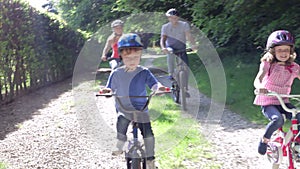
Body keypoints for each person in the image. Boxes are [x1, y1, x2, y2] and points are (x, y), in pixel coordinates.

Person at [99, 33, 167, 169]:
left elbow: (154, 84)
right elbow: (110, 88)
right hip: (124, 108)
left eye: (136, 57)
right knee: (122, 121)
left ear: (140, 56)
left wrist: (159, 88)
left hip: (141, 108)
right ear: (121, 56)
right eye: (128, 57)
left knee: (148, 134)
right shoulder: (116, 73)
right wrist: (107, 92)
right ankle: (120, 142)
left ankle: (150, 160)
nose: (132, 60)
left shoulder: (144, 72)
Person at [253, 30, 300, 155]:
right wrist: (259, 87)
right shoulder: (268, 64)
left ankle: (297, 143)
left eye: (286, 50)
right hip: (269, 101)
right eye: (279, 50)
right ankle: (265, 140)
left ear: (291, 51)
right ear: (273, 51)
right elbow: (259, 78)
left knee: (299, 116)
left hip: (284, 101)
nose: (283, 53)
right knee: (277, 119)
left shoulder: (294, 67)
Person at [160, 8, 197, 80]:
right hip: (171, 47)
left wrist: (193, 44)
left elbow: (188, 35)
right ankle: (171, 73)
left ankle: (185, 87)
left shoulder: (184, 25)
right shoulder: (165, 27)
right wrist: (163, 47)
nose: (173, 19)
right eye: (171, 18)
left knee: (186, 66)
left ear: (178, 17)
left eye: (175, 18)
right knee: (170, 54)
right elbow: (163, 39)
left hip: (181, 47)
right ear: (169, 18)